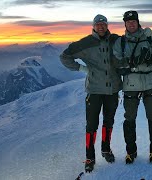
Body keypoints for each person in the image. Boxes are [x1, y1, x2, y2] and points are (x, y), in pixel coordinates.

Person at [60, 14, 121, 173]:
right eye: (98, 24)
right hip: (94, 90)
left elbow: (131, 45)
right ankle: (90, 157)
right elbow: (65, 56)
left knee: (109, 122)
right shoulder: (85, 43)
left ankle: (106, 150)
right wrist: (81, 68)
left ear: (107, 25)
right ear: (93, 26)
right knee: (92, 125)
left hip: (112, 90)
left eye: (103, 24)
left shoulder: (115, 40)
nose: (101, 26)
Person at [113, 10, 152, 164]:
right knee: (129, 118)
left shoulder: (150, 38)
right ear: (125, 24)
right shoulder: (121, 42)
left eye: (133, 21)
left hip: (150, 82)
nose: (131, 24)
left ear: (138, 22)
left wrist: (151, 60)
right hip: (131, 83)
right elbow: (116, 62)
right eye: (128, 22)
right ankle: (131, 152)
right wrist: (133, 61)